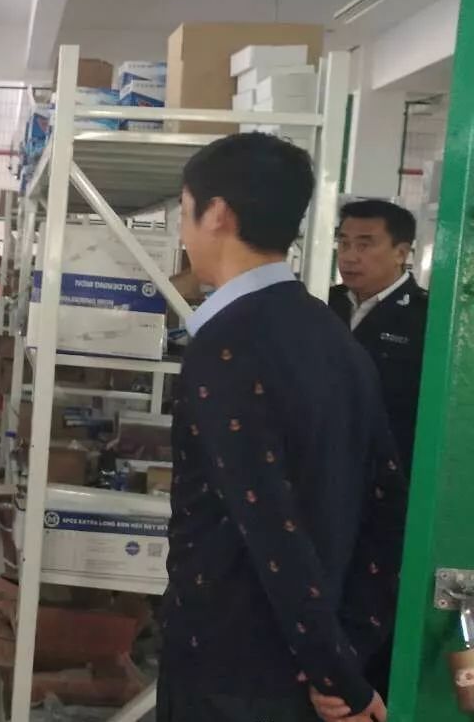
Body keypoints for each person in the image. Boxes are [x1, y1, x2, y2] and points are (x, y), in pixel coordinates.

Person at [159, 134, 406, 722]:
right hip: (303, 664)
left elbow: (269, 526)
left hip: (229, 667)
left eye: (185, 210)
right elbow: (386, 503)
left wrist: (336, 673)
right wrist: (346, 654)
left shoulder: (227, 348)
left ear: (217, 214)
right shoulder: (332, 335)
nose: (184, 230)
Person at [329, 199, 427, 701]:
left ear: (402, 252)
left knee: (374, 619)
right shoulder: (320, 306)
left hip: (388, 500)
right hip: (319, 492)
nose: (350, 255)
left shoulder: (427, 321)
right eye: (344, 243)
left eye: (365, 244)